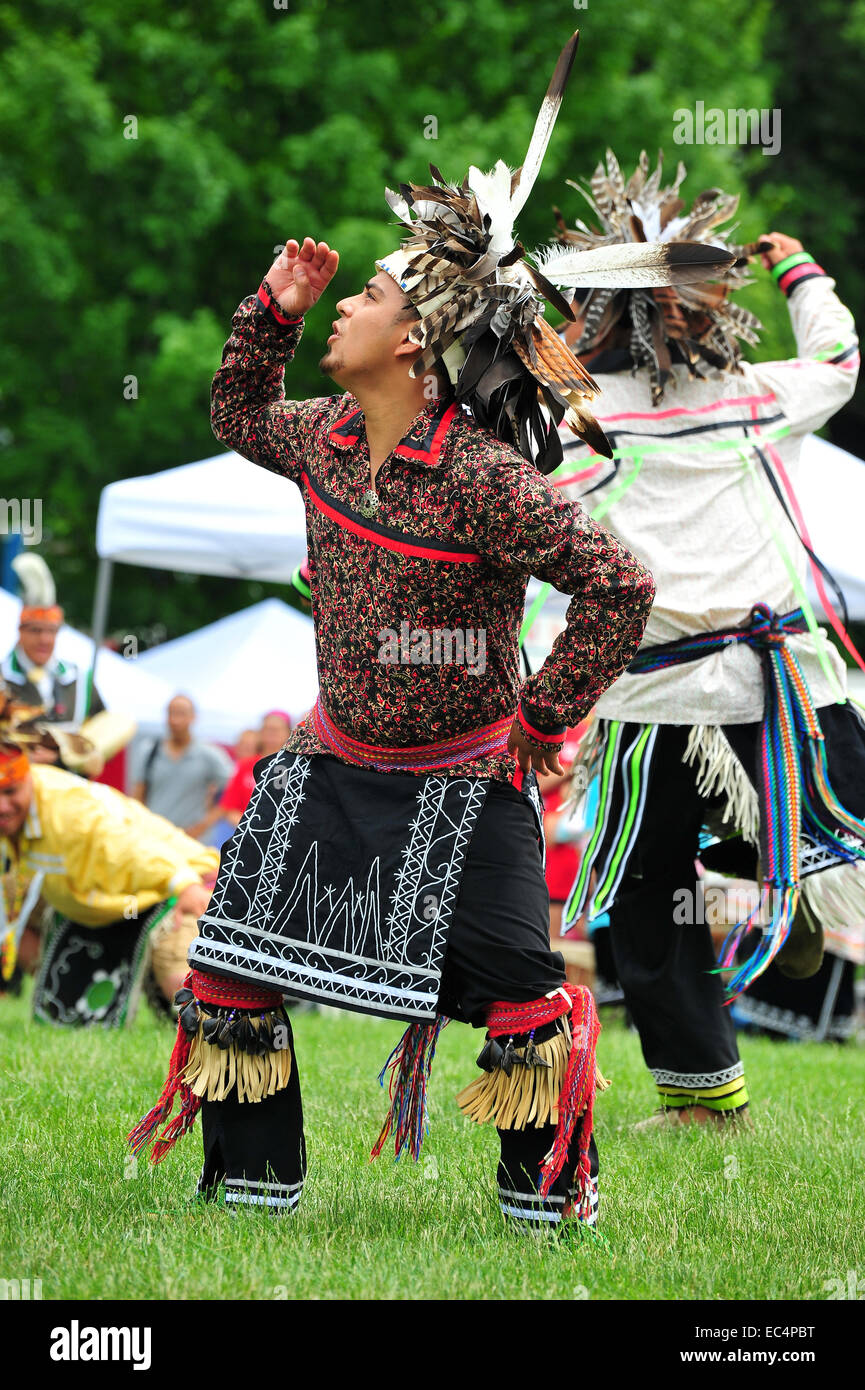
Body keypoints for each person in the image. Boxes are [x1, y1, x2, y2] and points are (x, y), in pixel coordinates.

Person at [129, 34, 734, 1227]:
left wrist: (544, 712)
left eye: (365, 295)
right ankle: (253, 1191)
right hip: (333, 759)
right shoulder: (319, 438)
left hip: (465, 780)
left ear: (413, 343)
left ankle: (549, 1209)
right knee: (230, 967)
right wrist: (274, 308)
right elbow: (234, 408)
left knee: (521, 994)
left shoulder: (481, 478)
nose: (347, 297)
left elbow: (617, 579)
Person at [549, 150, 863, 1125]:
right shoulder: (758, 394)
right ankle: (790, 876)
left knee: (643, 891)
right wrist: (804, 272)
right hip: (772, 686)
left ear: (602, 318)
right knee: (823, 831)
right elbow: (841, 364)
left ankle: (702, 1090)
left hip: (661, 693)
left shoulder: (573, 424)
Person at [0, 695, 219, 1025]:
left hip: (176, 878)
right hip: (107, 897)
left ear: (28, 779)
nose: (2, 807)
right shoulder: (18, 813)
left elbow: (133, 847)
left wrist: (187, 886)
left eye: (10, 792)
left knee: (184, 991)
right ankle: (114, 977)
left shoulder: (70, 809)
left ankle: (208, 1007)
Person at [1, 554, 116, 777]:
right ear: (20, 632)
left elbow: (100, 742)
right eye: (35, 630)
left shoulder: (79, 681)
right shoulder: (2, 678)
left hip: (68, 794)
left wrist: (63, 758)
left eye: (51, 631)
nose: (44, 639)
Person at [131, 694, 233, 838]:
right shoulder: (148, 751)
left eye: (181, 714)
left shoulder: (209, 755)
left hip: (192, 842)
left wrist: (203, 825)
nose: (175, 720)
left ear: (193, 717)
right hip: (154, 839)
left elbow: (233, 791)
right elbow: (137, 795)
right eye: (171, 713)